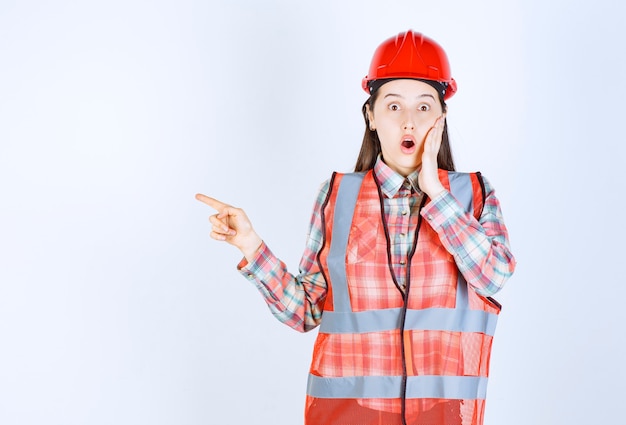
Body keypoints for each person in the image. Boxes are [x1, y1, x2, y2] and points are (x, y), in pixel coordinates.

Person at [196, 30, 516, 425]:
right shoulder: (337, 196)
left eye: (424, 107)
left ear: (441, 117)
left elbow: (494, 275)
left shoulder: (473, 194)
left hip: (443, 415)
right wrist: (250, 245)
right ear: (371, 115)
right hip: (348, 414)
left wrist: (435, 190)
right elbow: (306, 311)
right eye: (394, 107)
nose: (409, 122)